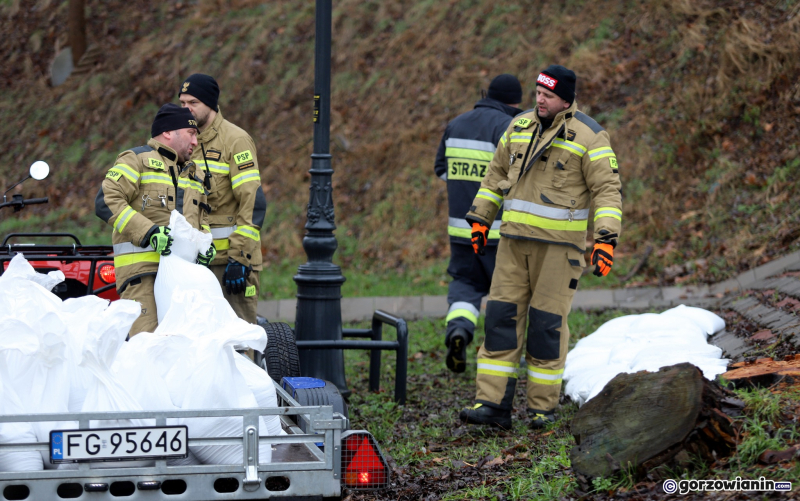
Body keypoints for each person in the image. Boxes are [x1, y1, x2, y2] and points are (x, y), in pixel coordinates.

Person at [458, 65, 622, 429]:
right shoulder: (518, 127)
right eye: (537, 92)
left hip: (559, 249)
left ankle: (541, 410)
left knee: (546, 327)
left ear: (566, 98)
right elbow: (496, 175)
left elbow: (607, 191)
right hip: (513, 243)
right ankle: (491, 405)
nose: (540, 99)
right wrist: (481, 217)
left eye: (548, 94)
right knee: (500, 320)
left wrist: (606, 239)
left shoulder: (590, 136)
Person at [95, 104, 212, 337]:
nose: (195, 142)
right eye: (191, 133)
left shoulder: (196, 174)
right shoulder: (136, 160)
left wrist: (206, 245)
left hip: (185, 279)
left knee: (185, 349)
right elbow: (106, 201)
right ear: (168, 132)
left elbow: (201, 218)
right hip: (142, 275)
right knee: (148, 350)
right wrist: (148, 232)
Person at [434, 74, 523, 373]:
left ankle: (459, 330)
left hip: (461, 230)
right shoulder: (506, 127)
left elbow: (442, 171)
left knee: (465, 286)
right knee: (506, 291)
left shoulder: (456, 124)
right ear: (513, 102)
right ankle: (502, 354)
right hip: (498, 233)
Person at [178, 74, 267, 324]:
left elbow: (253, 203)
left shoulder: (235, 141)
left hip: (231, 266)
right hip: (194, 265)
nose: (186, 109)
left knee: (238, 343)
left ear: (211, 103)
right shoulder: (181, 140)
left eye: (193, 103)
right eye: (182, 103)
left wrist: (239, 258)